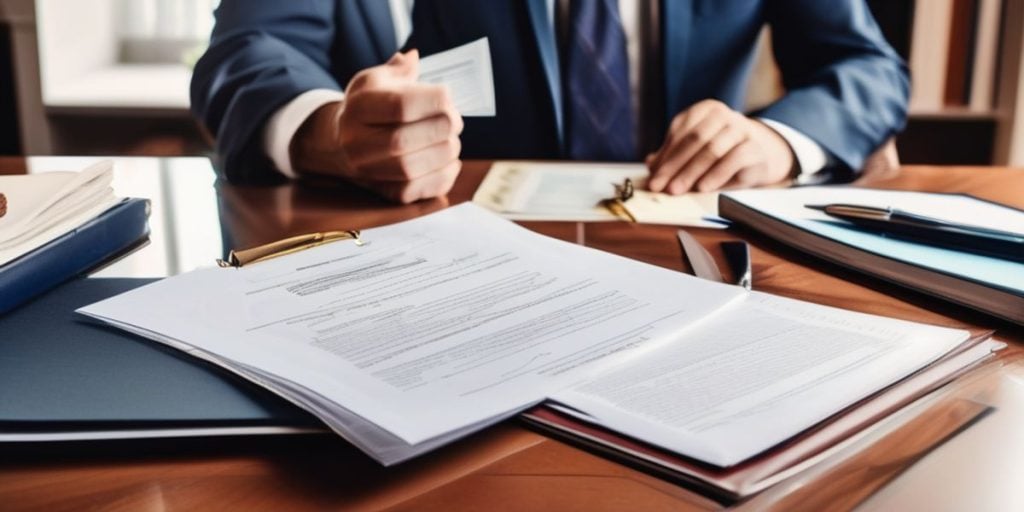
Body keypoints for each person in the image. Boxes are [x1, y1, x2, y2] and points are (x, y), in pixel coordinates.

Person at [191, 0, 908, 204]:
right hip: (446, 260)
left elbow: (867, 67)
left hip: (692, 252)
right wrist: (330, 133)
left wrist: (778, 141)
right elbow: (248, 50)